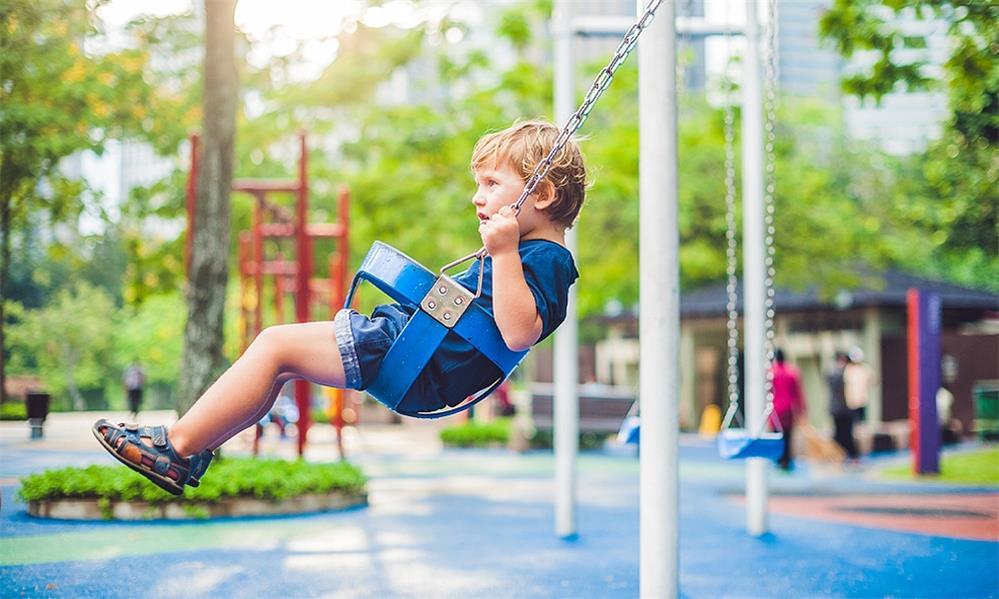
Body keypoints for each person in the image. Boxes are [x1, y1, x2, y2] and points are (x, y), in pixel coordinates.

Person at [92, 120, 585, 495]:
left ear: (541, 192)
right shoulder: (530, 256)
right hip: (413, 353)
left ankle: (176, 446)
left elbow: (520, 332)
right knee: (279, 363)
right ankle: (192, 447)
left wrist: (500, 254)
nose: (478, 199)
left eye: (492, 184)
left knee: (274, 346)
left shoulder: (546, 260)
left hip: (408, 356)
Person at [770, 348, 806, 471]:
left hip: (775, 409)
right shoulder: (792, 372)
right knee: (787, 435)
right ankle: (786, 459)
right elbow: (798, 393)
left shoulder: (771, 373)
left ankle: (778, 458)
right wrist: (802, 409)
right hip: (788, 409)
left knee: (776, 434)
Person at [828, 351, 858, 462]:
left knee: (846, 433)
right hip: (840, 409)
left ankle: (847, 455)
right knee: (841, 434)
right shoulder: (837, 373)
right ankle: (841, 455)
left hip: (845, 409)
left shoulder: (845, 373)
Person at [844, 346, 875, 423]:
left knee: (862, 422)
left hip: (862, 400)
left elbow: (873, 381)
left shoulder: (865, 368)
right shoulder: (848, 369)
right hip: (851, 401)